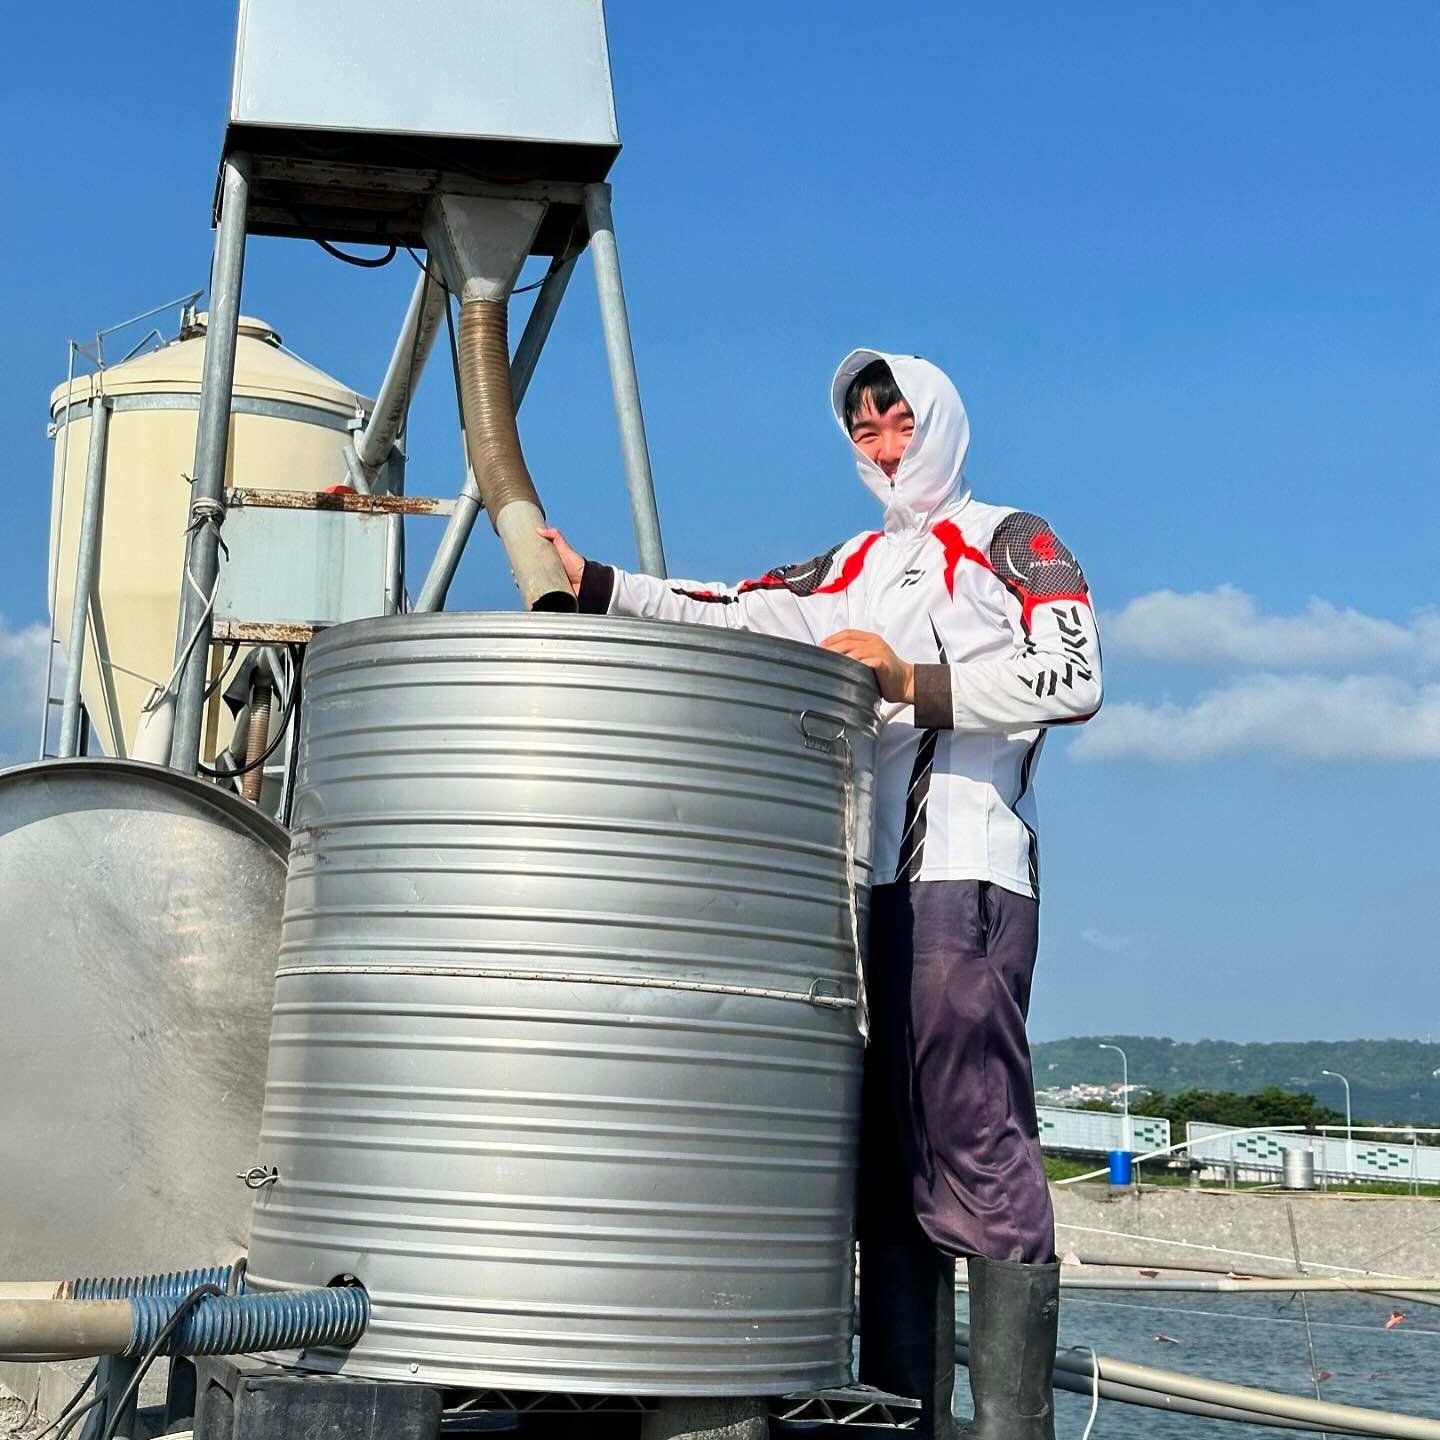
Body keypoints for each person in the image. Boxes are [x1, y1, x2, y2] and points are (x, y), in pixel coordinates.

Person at [540, 349, 1102, 1440]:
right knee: (885, 1161)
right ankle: (903, 1419)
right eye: (866, 435)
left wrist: (905, 681)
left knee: (972, 1132)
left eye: (900, 424)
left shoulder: (1011, 538)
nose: (887, 448)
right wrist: (600, 582)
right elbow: (738, 609)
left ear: (939, 421)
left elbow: (1075, 677)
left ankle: (1012, 1425)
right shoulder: (852, 562)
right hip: (869, 890)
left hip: (969, 875)